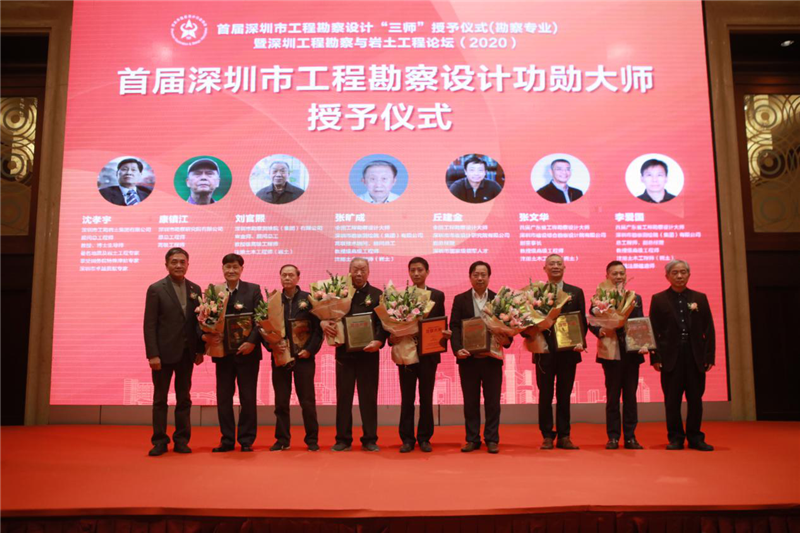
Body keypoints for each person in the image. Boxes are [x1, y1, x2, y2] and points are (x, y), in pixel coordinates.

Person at [143, 247, 204, 456]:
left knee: (184, 398)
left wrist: (200, 350)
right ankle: (159, 441)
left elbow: (199, 323)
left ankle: (181, 440)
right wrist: (152, 354)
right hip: (163, 354)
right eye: (174, 262)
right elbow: (149, 324)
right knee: (160, 399)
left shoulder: (195, 288)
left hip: (187, 353)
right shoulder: (156, 289)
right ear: (166, 264)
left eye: (182, 262)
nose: (178, 265)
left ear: (188, 264)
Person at [649, 259, 715, 451]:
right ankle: (676, 437)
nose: (679, 276)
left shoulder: (700, 298)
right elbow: (652, 330)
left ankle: (695, 437)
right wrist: (655, 357)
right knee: (672, 400)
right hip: (670, 357)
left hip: (695, 355)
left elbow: (709, 329)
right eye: (675, 272)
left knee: (696, 399)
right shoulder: (658, 299)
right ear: (667, 276)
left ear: (688, 274)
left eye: (683, 272)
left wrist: (708, 356)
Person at [323, 257, 388, 451]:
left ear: (368, 272)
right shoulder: (338, 294)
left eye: (362, 270)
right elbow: (328, 317)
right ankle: (343, 439)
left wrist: (379, 341)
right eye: (355, 269)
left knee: (368, 397)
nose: (359, 273)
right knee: (344, 397)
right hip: (344, 354)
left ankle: (370, 439)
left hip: (369, 354)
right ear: (349, 271)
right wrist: (324, 323)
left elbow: (384, 324)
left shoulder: (377, 295)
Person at [524, 254, 586, 450]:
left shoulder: (576, 292)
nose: (556, 266)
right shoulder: (535, 294)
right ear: (545, 268)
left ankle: (565, 435)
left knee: (564, 395)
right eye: (552, 264)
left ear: (565, 267)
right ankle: (547, 435)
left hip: (568, 352)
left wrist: (580, 341)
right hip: (543, 351)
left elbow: (581, 321)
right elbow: (526, 321)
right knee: (545, 395)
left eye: (559, 263)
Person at [450, 261, 510, 454]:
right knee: (470, 402)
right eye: (476, 274)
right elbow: (455, 326)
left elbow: (508, 326)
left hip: (492, 359)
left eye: (483, 274)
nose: (480, 278)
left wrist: (507, 340)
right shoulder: (460, 299)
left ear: (489, 277)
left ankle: (492, 439)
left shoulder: (498, 299)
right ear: (470, 277)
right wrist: (457, 349)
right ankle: (472, 438)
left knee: (493, 402)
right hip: (468, 359)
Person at [588, 261, 648, 450]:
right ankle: (613, 437)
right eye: (615, 273)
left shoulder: (635, 297)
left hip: (631, 353)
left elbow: (640, 321)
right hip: (610, 351)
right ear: (607, 276)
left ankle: (630, 437)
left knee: (631, 396)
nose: (619, 277)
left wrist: (644, 342)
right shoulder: (599, 299)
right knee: (612, 397)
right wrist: (600, 331)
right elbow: (591, 322)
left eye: (622, 273)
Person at [207, 253, 264, 452]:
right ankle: (227, 439)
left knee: (248, 398)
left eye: (235, 267)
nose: (231, 270)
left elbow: (261, 319)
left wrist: (251, 342)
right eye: (227, 267)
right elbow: (205, 318)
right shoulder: (214, 291)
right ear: (223, 269)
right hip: (223, 354)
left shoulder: (253, 290)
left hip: (248, 354)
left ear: (241, 269)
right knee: (224, 398)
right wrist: (209, 335)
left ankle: (246, 440)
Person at [396, 257, 450, 453]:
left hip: (429, 354)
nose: (416, 273)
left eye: (420, 269)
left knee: (426, 398)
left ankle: (425, 438)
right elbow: (394, 325)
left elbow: (441, 322)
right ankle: (407, 439)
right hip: (406, 353)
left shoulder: (437, 295)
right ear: (409, 272)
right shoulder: (400, 297)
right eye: (412, 270)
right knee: (407, 398)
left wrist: (445, 334)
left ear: (427, 272)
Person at [267, 264, 323, 451]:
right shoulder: (273, 301)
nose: (287, 278)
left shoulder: (310, 299)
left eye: (291, 275)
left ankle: (312, 440)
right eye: (284, 275)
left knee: (307, 401)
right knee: (281, 402)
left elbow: (318, 330)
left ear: (298, 277)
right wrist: (272, 345)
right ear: (280, 277)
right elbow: (265, 328)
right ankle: (282, 440)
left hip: (304, 358)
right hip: (280, 357)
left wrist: (310, 350)